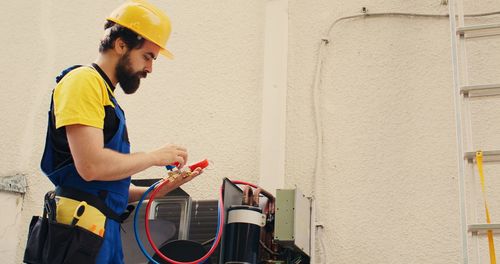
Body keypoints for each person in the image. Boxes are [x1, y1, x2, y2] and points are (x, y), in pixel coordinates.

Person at [39, 0, 202, 263]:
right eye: (147, 56)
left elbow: (106, 188)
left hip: (101, 230)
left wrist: (161, 188)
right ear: (120, 44)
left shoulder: (107, 98)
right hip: (80, 234)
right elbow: (91, 166)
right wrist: (154, 157)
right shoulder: (83, 81)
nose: (150, 68)